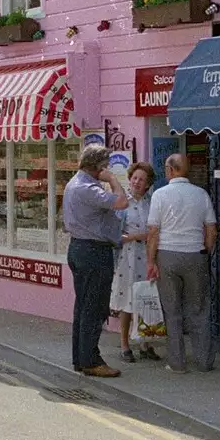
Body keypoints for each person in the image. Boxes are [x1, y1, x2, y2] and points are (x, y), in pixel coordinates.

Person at [146, 153, 218, 373]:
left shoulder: (159, 195)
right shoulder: (201, 194)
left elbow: (153, 231)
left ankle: (177, 363)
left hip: (167, 254)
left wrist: (151, 260)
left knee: (172, 310)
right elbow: (211, 228)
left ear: (170, 170)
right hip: (195, 254)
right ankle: (204, 361)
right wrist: (206, 251)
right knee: (199, 309)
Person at [62, 145, 129, 378]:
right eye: (106, 166)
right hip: (93, 251)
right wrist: (112, 179)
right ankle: (90, 360)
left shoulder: (75, 184)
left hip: (80, 248)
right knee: (94, 307)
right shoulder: (88, 188)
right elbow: (122, 202)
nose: (108, 169)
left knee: (83, 307)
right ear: (98, 166)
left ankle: (81, 358)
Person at [109, 162, 159, 363]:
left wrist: (144, 237)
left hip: (147, 256)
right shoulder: (122, 203)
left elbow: (155, 230)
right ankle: (124, 344)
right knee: (127, 300)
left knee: (146, 298)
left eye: (142, 180)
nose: (137, 182)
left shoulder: (151, 203)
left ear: (148, 184)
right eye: (135, 178)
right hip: (127, 257)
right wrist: (135, 236)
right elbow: (113, 233)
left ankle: (145, 343)